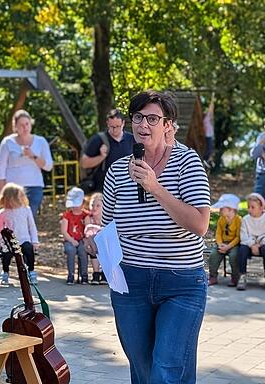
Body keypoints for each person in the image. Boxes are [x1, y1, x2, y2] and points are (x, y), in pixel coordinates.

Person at [102, 90, 210, 384]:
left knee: (166, 371)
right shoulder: (116, 171)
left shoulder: (187, 163)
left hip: (181, 282)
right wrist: (102, 254)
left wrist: (156, 187)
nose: (143, 125)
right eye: (138, 117)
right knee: (144, 371)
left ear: (168, 124)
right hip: (130, 283)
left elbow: (200, 225)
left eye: (152, 118)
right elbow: (108, 227)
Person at [0, 110, 53, 219]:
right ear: (15, 126)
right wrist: (1, 191)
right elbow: (1, 168)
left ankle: (28, 237)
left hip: (34, 187)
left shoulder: (41, 142)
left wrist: (33, 156)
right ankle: (12, 237)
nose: (25, 127)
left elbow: (48, 166)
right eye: (21, 125)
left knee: (28, 219)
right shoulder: (7, 142)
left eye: (27, 124)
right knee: (11, 220)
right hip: (12, 189)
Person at [80, 109, 135, 193]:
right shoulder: (98, 140)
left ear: (123, 123)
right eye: (112, 126)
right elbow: (84, 164)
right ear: (107, 123)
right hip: (102, 191)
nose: (115, 129)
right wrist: (101, 157)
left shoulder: (132, 139)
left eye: (118, 126)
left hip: (127, 189)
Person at [0, 183, 39, 285]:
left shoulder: (26, 210)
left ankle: (31, 271)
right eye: (18, 196)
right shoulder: (3, 212)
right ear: (11, 198)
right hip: (9, 241)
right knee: (6, 255)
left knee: (29, 251)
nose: (21, 198)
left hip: (24, 239)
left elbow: (32, 226)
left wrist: (35, 241)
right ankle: (5, 272)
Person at [237, 193, 265, 291]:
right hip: (250, 246)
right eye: (248, 207)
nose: (249, 209)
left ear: (261, 207)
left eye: (252, 207)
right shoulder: (246, 219)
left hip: (263, 245)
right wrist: (252, 245)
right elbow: (243, 236)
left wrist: (260, 244)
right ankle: (242, 276)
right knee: (242, 249)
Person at [207, 194, 242, 287]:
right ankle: (213, 276)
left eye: (222, 208)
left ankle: (235, 277)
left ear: (231, 209)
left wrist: (228, 246)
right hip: (222, 243)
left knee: (234, 256)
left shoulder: (238, 220)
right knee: (214, 255)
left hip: (234, 244)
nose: (220, 210)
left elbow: (238, 237)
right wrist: (220, 244)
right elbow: (218, 233)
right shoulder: (221, 219)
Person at [61, 187, 89, 285]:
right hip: (70, 239)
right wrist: (71, 241)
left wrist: (86, 239)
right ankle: (71, 275)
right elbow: (64, 231)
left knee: (83, 251)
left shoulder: (86, 215)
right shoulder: (67, 215)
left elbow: (87, 229)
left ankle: (84, 275)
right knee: (71, 250)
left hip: (82, 239)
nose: (75, 207)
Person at [84, 193, 105, 285]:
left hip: (104, 241)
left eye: (98, 206)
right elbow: (87, 231)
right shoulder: (88, 218)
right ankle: (96, 272)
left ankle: (104, 272)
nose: (94, 208)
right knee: (92, 242)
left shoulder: (106, 217)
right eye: (92, 205)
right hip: (92, 242)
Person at [203, 99, 215, 166]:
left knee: (210, 149)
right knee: (209, 149)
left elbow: (211, 111)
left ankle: (207, 161)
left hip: (209, 135)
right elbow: (211, 110)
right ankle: (206, 160)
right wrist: (212, 102)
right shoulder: (207, 118)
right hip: (208, 135)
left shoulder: (207, 119)